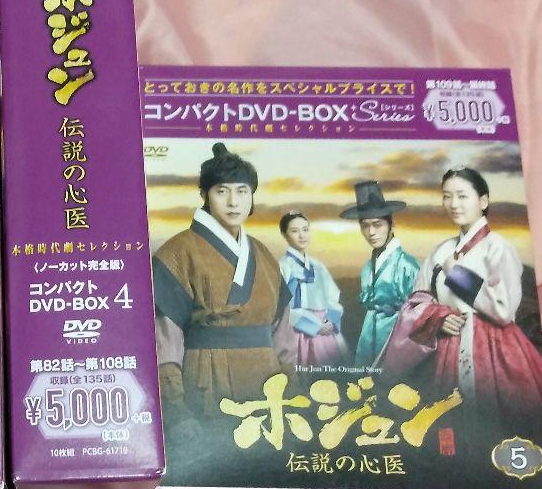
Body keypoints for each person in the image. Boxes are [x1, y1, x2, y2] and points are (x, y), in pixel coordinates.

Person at [381, 167, 542, 417]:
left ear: (483, 201)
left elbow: (503, 310)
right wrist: (437, 317)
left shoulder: (498, 248)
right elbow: (417, 298)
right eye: (447, 196)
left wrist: (457, 275)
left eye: (462, 196)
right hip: (446, 348)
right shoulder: (440, 251)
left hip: (494, 353)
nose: (453, 204)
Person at [152, 144, 296, 439]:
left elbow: (284, 336)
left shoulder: (264, 255)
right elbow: (165, 342)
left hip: (268, 385)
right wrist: (176, 410)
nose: (233, 202)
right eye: (222, 191)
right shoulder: (176, 253)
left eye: (242, 191)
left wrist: (293, 389)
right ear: (205, 195)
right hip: (208, 384)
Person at [339, 181, 419, 367]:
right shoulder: (368, 267)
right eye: (364, 226)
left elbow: (421, 314)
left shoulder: (407, 265)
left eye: (377, 224)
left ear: (390, 224)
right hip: (368, 339)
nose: (371, 232)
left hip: (398, 343)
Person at [277, 211, 350, 368]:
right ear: (284, 234)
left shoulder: (318, 266)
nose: (302, 235)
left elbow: (333, 296)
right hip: (297, 330)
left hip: (325, 328)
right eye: (294, 231)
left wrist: (331, 320)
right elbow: (280, 306)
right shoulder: (283, 266)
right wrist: (314, 325)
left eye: (305, 230)